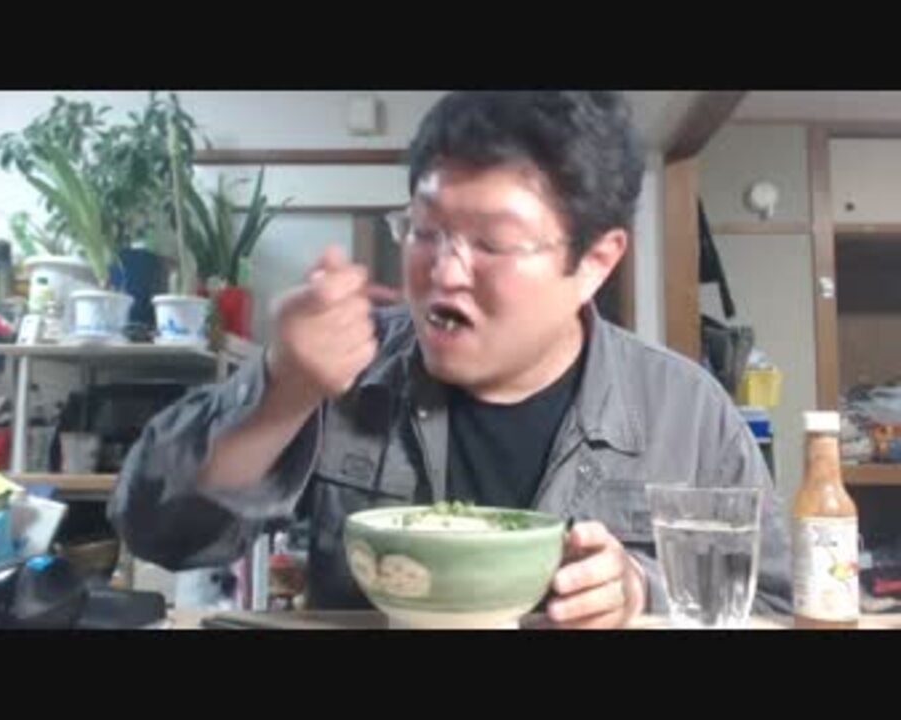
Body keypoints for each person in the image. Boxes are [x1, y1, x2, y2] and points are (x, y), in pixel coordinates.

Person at [109, 91, 792, 628]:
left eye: (491, 243)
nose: (444, 271)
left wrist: (641, 589)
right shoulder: (346, 372)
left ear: (595, 261)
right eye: (425, 230)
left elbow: (777, 600)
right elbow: (156, 531)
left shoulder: (686, 413)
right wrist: (282, 390)